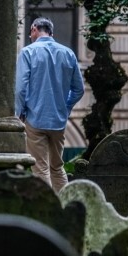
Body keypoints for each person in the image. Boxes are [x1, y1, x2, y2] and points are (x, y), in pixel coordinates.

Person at [15, 17, 85, 193]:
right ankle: (66, 207)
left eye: (31, 33)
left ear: (34, 29)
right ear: (51, 32)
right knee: (57, 167)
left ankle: (46, 211)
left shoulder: (27, 52)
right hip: (58, 121)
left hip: (34, 119)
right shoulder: (68, 53)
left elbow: (21, 89)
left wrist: (19, 113)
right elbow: (79, 89)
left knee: (40, 168)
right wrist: (66, 107)